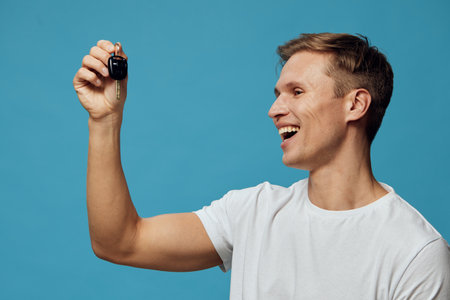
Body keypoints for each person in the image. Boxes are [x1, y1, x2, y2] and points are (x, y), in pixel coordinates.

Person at [73, 33, 450, 299]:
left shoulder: (417, 253)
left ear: (355, 105)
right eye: (277, 94)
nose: (274, 110)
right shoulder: (252, 213)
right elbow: (120, 242)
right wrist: (105, 120)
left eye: (297, 92)